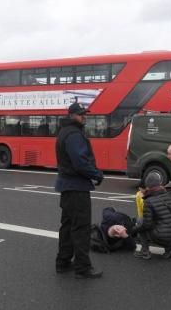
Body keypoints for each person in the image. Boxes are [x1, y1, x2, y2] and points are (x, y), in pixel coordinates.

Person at [55, 102, 104, 279]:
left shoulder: (64, 131)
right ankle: (83, 268)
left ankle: (63, 262)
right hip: (77, 187)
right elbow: (81, 162)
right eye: (81, 114)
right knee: (81, 228)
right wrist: (97, 174)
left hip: (66, 187)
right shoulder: (74, 134)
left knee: (67, 227)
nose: (85, 116)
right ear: (72, 115)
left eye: (85, 114)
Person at [132, 173, 171, 260]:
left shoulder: (149, 201)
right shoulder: (170, 196)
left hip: (161, 236)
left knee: (140, 221)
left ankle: (145, 251)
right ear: (160, 183)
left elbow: (146, 225)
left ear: (147, 186)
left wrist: (134, 230)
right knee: (165, 222)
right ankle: (169, 249)